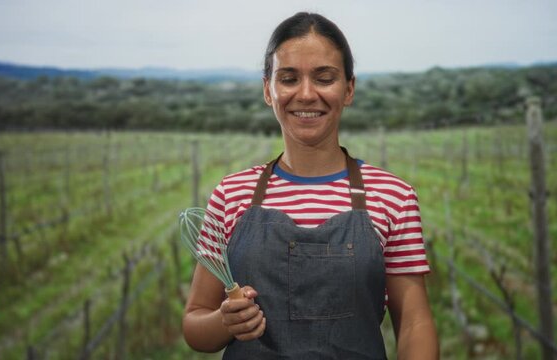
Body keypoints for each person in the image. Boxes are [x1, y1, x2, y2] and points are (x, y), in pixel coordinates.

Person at [183, 12, 438, 359]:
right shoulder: (231, 194)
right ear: (267, 90)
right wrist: (225, 322)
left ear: (348, 89)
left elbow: (413, 323)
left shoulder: (393, 196)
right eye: (288, 79)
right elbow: (195, 324)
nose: (306, 94)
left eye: (324, 78)